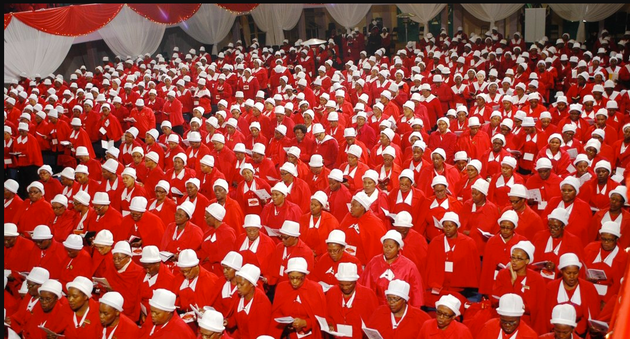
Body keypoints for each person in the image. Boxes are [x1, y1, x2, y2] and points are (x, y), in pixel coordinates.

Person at [492, 241, 548, 334]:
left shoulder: (537, 279)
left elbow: (538, 309)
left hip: (527, 325)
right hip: (503, 323)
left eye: (519, 258)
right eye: (513, 257)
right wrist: (512, 283)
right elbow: (495, 300)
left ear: (527, 261)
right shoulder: (503, 274)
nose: (514, 261)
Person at [424, 212, 480, 305]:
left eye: (450, 226)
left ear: (457, 226)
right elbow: (430, 265)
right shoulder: (435, 242)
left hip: (460, 288)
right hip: (439, 287)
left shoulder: (469, 243)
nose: (447, 229)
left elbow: (474, 267)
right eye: (445, 226)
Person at [360, 230, 424, 308]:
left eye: (391, 247)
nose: (387, 249)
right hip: (376, 308)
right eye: (385, 246)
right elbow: (366, 287)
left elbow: (416, 294)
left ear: (398, 248)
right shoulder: (374, 262)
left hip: (400, 310)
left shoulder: (409, 266)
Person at [269, 257, 327, 339]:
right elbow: (276, 313)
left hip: (308, 335)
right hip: (286, 334)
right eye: (291, 278)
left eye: (299, 278)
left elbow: (321, 319)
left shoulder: (315, 289)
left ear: (304, 276)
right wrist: (285, 323)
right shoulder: (281, 287)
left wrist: (305, 323)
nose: (295, 281)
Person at [545, 253, 601, 336]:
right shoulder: (551, 287)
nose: (572, 276)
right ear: (561, 271)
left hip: (581, 334)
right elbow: (545, 314)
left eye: (575, 273)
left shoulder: (589, 288)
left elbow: (593, 315)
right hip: (556, 334)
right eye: (568, 273)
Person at [479, 211, 527, 296]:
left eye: (508, 228)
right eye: (502, 227)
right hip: (494, 281)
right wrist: (484, 290)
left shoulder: (522, 241)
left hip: (514, 280)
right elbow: (486, 268)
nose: (505, 230)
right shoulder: (492, 241)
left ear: (514, 228)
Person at [325, 262, 378, 339]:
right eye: (342, 285)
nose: (345, 288)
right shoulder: (331, 292)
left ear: (355, 281)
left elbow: (374, 322)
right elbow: (326, 315)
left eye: (349, 285)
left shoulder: (368, 295)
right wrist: (329, 324)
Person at [366, 279, 431, 339]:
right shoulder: (379, 312)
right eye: (389, 298)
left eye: (395, 299)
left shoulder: (421, 318)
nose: (391, 302)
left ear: (404, 300)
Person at [532, 208, 584, 280]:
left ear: (563, 226)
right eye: (550, 226)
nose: (552, 230)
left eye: (556, 227)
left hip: (561, 281)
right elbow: (531, 262)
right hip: (538, 279)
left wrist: (557, 268)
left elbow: (577, 270)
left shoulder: (574, 242)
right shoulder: (539, 236)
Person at [583, 221, 628, 303]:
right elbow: (579, 268)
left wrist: (605, 301)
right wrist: (585, 278)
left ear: (616, 239)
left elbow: (617, 285)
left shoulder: (622, 257)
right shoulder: (590, 248)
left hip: (607, 297)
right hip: (586, 290)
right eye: (603, 239)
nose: (606, 243)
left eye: (610, 240)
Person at [338, 191, 387, 266]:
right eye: (351, 205)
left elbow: (376, 250)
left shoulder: (375, 224)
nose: (351, 208)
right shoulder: (349, 217)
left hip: (363, 265)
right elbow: (339, 234)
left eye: (354, 206)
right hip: (344, 261)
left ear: (362, 207)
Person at [102, 241, 144, 322]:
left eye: (120, 258)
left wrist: (113, 291)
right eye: (114, 258)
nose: (116, 261)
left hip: (128, 313)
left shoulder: (139, 272)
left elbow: (134, 298)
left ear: (128, 257)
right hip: (110, 307)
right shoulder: (112, 267)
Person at [228, 264, 272, 339]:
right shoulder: (238, 295)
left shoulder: (262, 303)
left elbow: (262, 333)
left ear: (251, 284)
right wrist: (228, 322)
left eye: (241, 284)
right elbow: (235, 320)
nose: (238, 287)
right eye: (237, 283)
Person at [266, 221, 315, 287]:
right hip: (279, 286)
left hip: (295, 287)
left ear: (295, 237)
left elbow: (307, 277)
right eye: (281, 237)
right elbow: (272, 267)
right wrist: (268, 278)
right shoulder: (279, 247)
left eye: (285, 238)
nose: (282, 240)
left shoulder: (306, 252)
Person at [197, 203, 237, 277]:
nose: (205, 219)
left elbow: (227, 254)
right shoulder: (209, 231)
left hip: (220, 273)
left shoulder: (228, 232)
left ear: (215, 218)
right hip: (205, 271)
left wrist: (209, 258)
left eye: (207, 217)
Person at [298, 191, 339, 260]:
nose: (312, 207)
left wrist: (317, 252)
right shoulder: (303, 219)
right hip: (304, 254)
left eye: (315, 205)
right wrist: (307, 251)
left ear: (321, 207)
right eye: (311, 204)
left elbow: (333, 242)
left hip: (323, 256)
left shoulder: (331, 221)